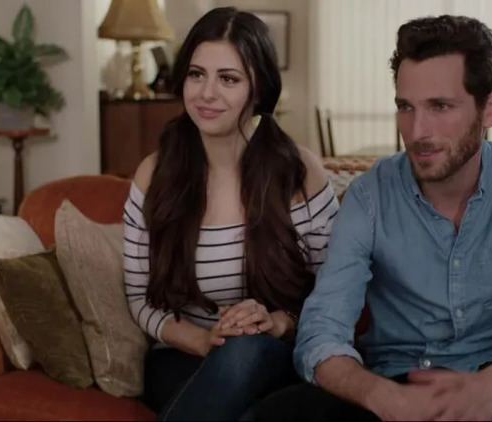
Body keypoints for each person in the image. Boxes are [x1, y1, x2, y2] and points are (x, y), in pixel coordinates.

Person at [250, 15, 492, 421]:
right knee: (280, 413)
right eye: (405, 107)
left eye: (440, 106)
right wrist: (384, 398)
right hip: (399, 385)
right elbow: (320, 331)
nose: (417, 131)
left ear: (489, 109)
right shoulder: (368, 196)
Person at [122, 7, 338, 421]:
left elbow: (332, 293)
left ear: (258, 90)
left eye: (228, 79)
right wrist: (203, 340)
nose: (206, 93)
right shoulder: (155, 174)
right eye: (196, 74)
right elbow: (138, 299)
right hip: (182, 354)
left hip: (275, 349)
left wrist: (276, 322)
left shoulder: (300, 172)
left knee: (245, 352)